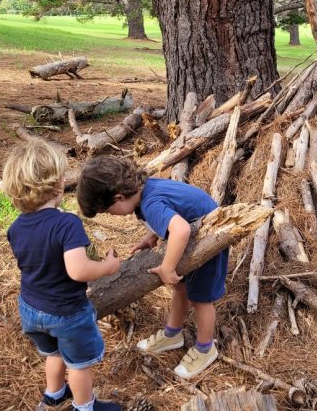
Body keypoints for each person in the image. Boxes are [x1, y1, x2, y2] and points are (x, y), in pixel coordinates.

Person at [76, 156, 226, 380]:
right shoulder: (147, 188)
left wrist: (167, 267)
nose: (111, 216)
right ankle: (172, 334)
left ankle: (206, 348)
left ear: (118, 197)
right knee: (181, 289)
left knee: (201, 299)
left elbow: (181, 230)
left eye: (108, 211)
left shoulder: (149, 203)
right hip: (195, 240)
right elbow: (174, 214)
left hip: (209, 242)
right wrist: (153, 236)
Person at [2, 140, 122, 411]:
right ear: (57, 186)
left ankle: (54, 394)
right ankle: (85, 407)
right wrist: (107, 267)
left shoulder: (16, 227)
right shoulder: (66, 223)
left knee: (53, 353)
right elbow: (78, 270)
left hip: (31, 309)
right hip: (67, 312)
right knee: (79, 366)